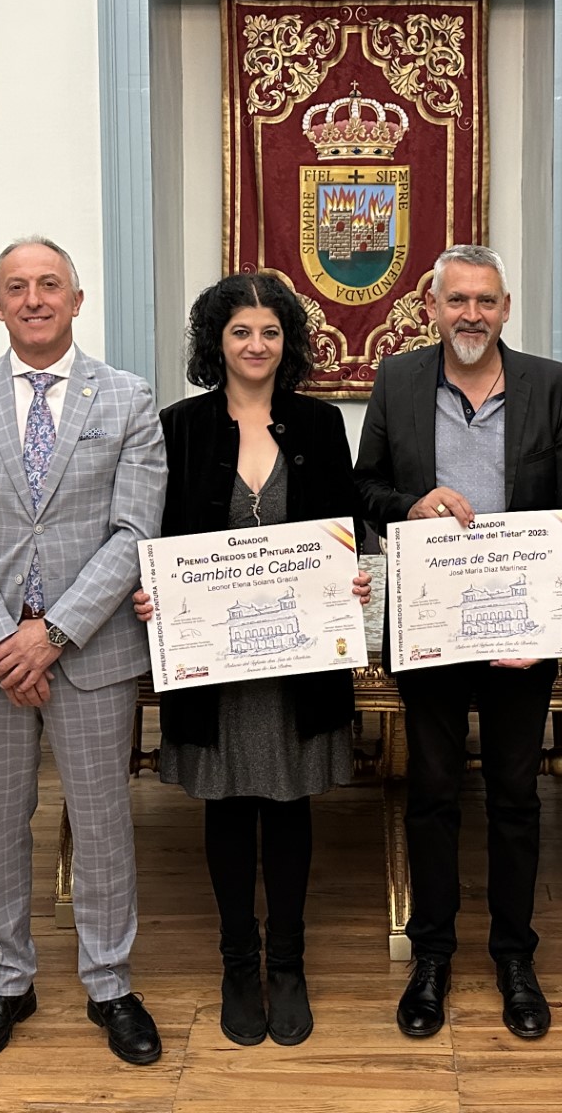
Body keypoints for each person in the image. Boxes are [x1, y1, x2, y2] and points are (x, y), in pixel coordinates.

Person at [0, 236, 168, 1067]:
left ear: (76, 299)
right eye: (16, 287)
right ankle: (6, 981)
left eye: (48, 285)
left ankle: (109, 982)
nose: (33, 299)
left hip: (90, 651)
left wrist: (52, 633)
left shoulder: (129, 399)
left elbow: (134, 531)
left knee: (101, 824)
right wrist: (1, 636)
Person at [354, 244, 562, 1041]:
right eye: (457, 300)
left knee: (518, 798)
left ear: (506, 308)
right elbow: (364, 492)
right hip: (431, 626)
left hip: (522, 630)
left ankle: (515, 956)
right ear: (432, 306)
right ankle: (432, 956)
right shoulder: (397, 380)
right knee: (431, 792)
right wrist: (409, 506)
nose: (471, 315)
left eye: (485, 301)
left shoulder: (552, 385)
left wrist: (543, 617)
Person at [130, 273, 371, 1047]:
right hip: (217, 663)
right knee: (229, 805)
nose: (256, 345)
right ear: (217, 342)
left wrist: (353, 572)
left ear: (287, 342)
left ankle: (289, 963)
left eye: (269, 331)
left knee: (290, 804)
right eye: (241, 332)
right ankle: (239, 961)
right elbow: (156, 536)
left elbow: (346, 528)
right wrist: (152, 590)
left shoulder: (322, 424)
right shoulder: (182, 427)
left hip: (297, 662)